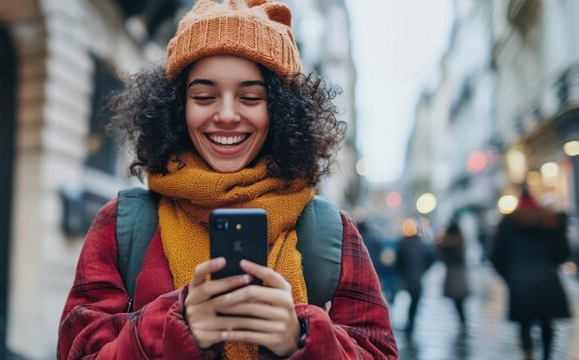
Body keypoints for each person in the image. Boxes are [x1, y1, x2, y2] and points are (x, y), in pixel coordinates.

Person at [57, 1, 397, 358]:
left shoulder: (332, 230)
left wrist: (299, 337)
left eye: (251, 97)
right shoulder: (119, 224)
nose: (227, 115)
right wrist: (175, 325)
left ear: (280, 110)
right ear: (177, 107)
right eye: (204, 96)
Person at [490, 189, 571, 360]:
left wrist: (509, 276)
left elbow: (496, 256)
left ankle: (528, 353)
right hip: (547, 277)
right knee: (547, 321)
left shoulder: (508, 223)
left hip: (519, 278)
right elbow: (563, 252)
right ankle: (547, 355)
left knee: (524, 322)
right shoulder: (549, 221)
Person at [395, 218, 434, 337]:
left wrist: (401, 272)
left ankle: (408, 324)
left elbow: (398, 261)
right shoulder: (423, 244)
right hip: (417, 278)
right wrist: (423, 270)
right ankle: (411, 324)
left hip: (406, 277)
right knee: (415, 301)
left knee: (403, 300)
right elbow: (431, 258)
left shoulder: (402, 243)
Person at [436, 220, 469, 329]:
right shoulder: (460, 240)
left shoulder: (445, 242)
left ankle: (462, 319)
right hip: (460, 272)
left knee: (456, 299)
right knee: (460, 299)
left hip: (451, 272)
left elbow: (439, 253)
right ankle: (463, 319)